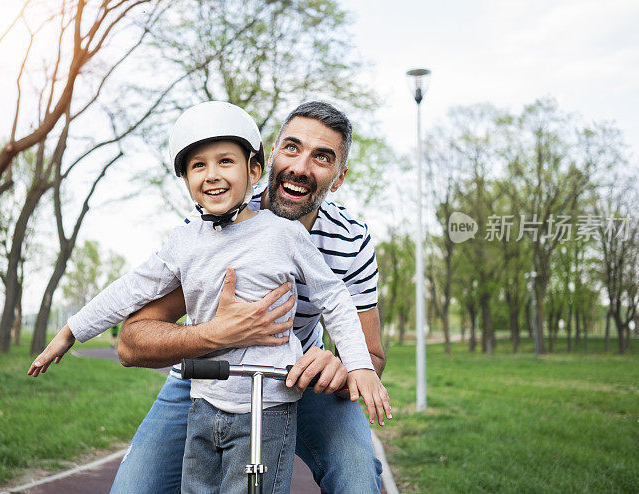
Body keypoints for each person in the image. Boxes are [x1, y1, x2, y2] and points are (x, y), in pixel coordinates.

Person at [28, 101, 391, 494]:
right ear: (268, 158)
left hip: (288, 373)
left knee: (358, 477)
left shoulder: (349, 239)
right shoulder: (202, 231)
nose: (301, 167)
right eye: (292, 148)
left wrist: (342, 366)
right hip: (206, 375)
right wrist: (219, 333)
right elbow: (132, 329)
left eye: (322, 157)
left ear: (338, 178)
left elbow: (364, 345)